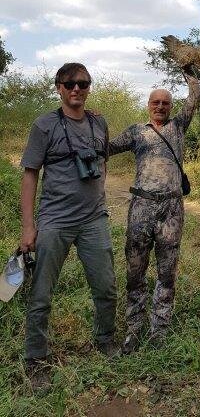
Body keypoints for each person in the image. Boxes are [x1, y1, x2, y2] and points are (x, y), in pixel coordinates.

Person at [20, 63, 118, 390]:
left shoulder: (99, 122)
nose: (77, 89)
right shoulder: (44, 125)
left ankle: (105, 339)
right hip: (54, 221)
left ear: (89, 87)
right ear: (59, 87)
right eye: (70, 84)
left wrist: (99, 195)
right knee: (42, 294)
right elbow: (30, 173)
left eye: (83, 83)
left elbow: (103, 161)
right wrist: (28, 227)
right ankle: (35, 359)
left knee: (105, 287)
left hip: (93, 220)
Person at [109, 68, 200, 354]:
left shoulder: (178, 127)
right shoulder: (137, 132)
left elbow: (194, 99)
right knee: (135, 270)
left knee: (167, 270)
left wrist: (189, 70)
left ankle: (159, 329)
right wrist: (95, 121)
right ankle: (134, 329)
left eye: (165, 103)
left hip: (172, 208)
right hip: (141, 206)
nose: (160, 106)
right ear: (148, 106)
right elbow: (106, 148)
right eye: (155, 102)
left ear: (170, 107)